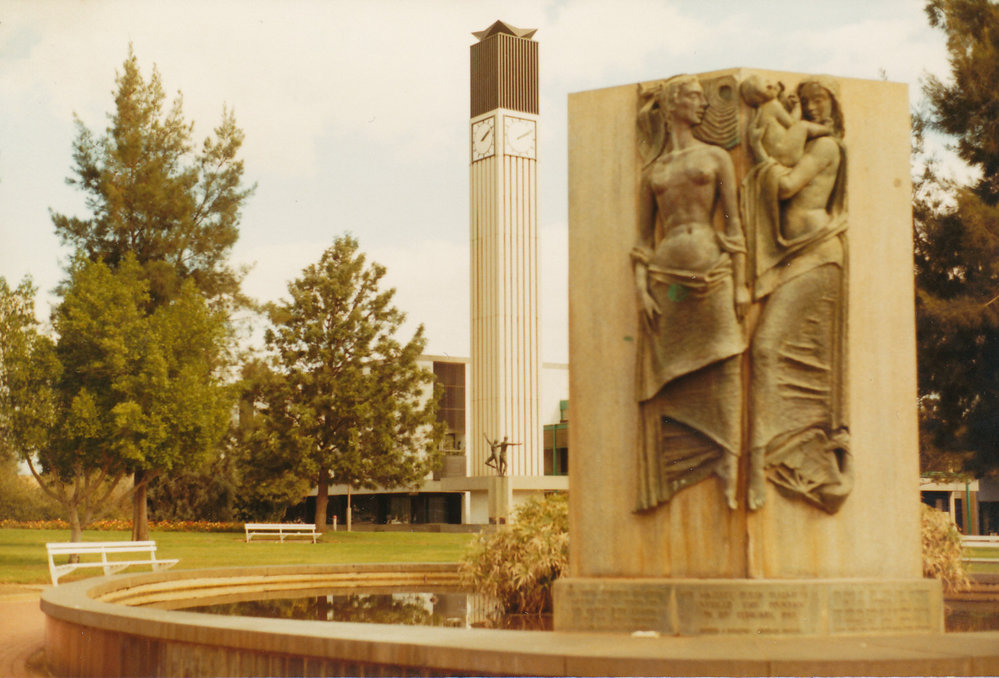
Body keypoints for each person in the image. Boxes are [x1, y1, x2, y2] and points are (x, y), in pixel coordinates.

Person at [632, 74, 749, 511]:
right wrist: (641, 289)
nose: (702, 105)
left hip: (714, 275)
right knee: (667, 379)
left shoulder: (717, 158)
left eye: (703, 97)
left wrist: (740, 286)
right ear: (672, 104)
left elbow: (734, 226)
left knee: (727, 360)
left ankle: (728, 460)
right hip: (667, 286)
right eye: (694, 98)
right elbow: (642, 240)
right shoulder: (654, 172)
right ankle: (680, 462)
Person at [742, 75, 852, 513]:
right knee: (772, 351)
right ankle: (778, 453)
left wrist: (757, 156)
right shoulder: (805, 138)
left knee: (768, 348)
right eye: (806, 103)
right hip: (795, 259)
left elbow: (786, 187)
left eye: (820, 100)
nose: (813, 108)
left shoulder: (825, 147)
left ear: (832, 104)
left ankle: (781, 454)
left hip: (820, 256)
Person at [739, 74, 830, 167]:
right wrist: (797, 107)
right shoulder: (773, 105)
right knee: (803, 125)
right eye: (768, 85)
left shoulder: (760, 110)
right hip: (785, 155)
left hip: (775, 156)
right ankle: (827, 129)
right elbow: (792, 124)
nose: (773, 85)